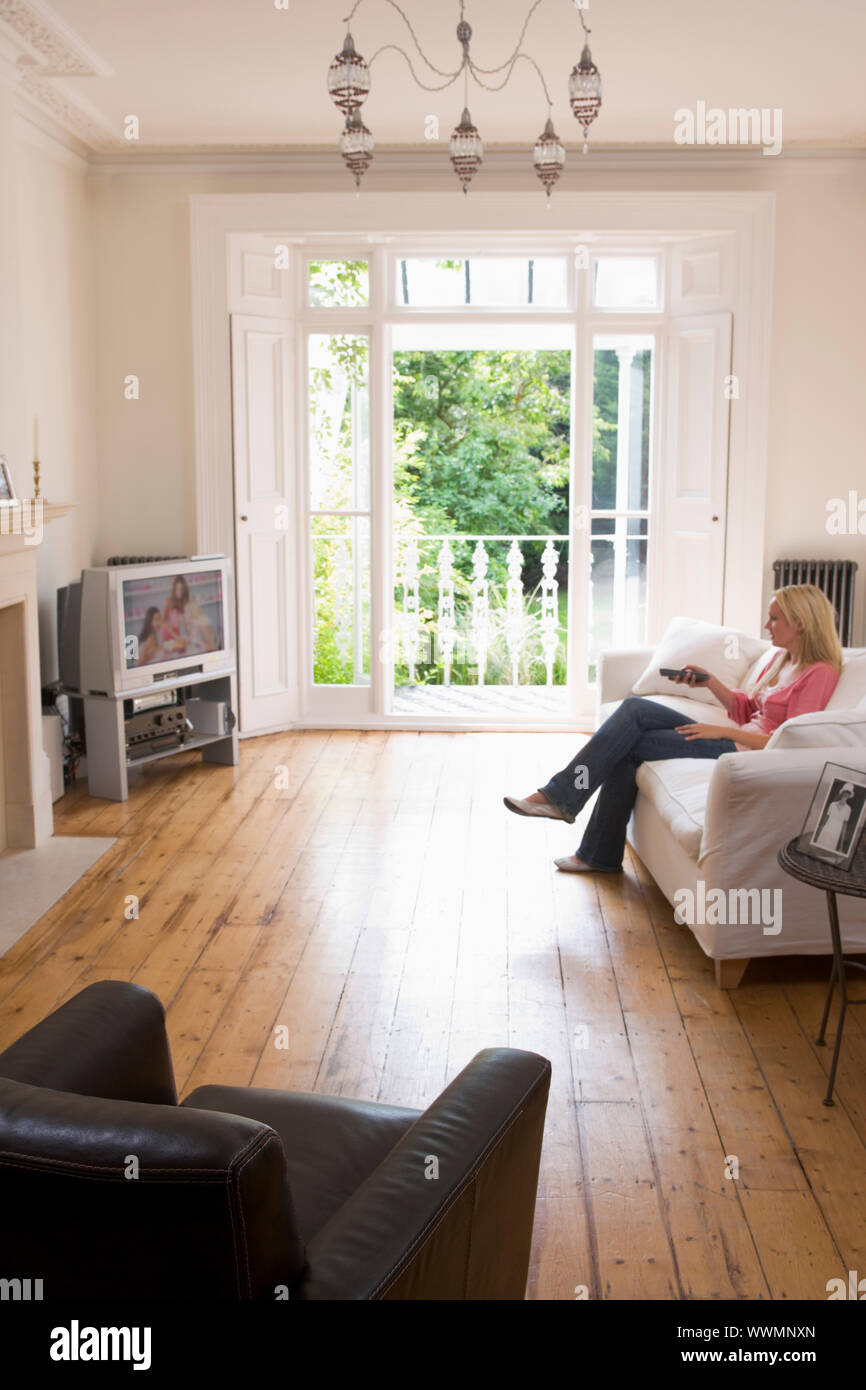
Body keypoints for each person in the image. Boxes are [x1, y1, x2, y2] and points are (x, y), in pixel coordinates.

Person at [504, 584, 843, 874]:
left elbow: (791, 739)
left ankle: (578, 826)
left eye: (774, 618)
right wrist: (709, 682)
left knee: (626, 747)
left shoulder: (820, 673)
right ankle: (572, 816)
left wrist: (723, 733)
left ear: (800, 623)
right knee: (634, 711)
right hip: (734, 737)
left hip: (745, 752)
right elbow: (747, 709)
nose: (767, 625)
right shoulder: (781, 660)